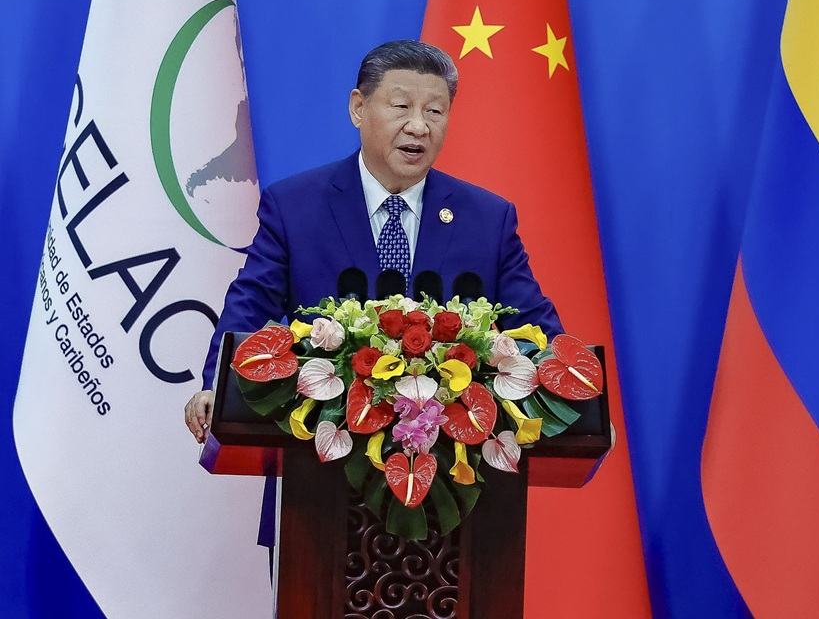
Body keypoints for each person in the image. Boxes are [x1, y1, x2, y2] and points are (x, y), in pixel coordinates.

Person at [184, 37, 562, 456]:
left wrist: (577, 396)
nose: (419, 126)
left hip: (454, 460)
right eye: (401, 107)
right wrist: (217, 386)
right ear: (358, 108)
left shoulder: (488, 220)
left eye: (435, 111)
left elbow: (534, 326)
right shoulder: (295, 207)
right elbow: (250, 305)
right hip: (324, 450)